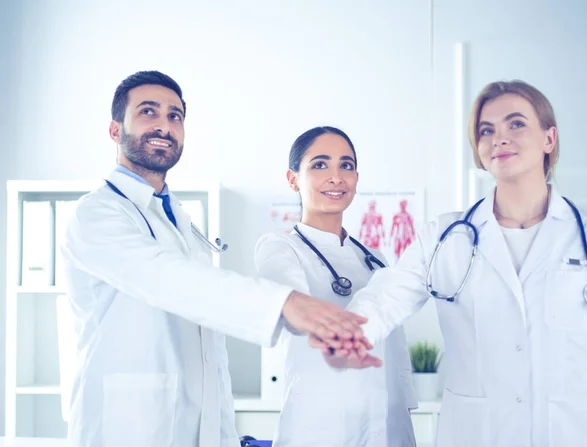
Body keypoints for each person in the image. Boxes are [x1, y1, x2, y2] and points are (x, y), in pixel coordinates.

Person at [60, 71, 375, 447]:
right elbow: (167, 279)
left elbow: (207, 354)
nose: (164, 125)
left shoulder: (177, 218)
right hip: (126, 428)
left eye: (175, 116)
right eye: (149, 112)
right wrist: (286, 302)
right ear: (115, 130)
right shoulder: (95, 215)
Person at [313, 80, 587, 446]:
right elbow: (388, 295)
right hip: (476, 434)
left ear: (549, 138)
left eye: (516, 124)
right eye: (486, 130)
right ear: (478, 151)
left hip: (572, 434)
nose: (500, 138)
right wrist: (348, 335)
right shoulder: (445, 236)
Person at [255, 126, 417, 446]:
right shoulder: (279, 248)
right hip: (321, 426)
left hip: (389, 424)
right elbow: (295, 312)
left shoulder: (375, 259)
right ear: (292, 179)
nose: (336, 177)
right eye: (319, 165)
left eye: (346, 165)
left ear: (356, 177)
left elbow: (394, 350)